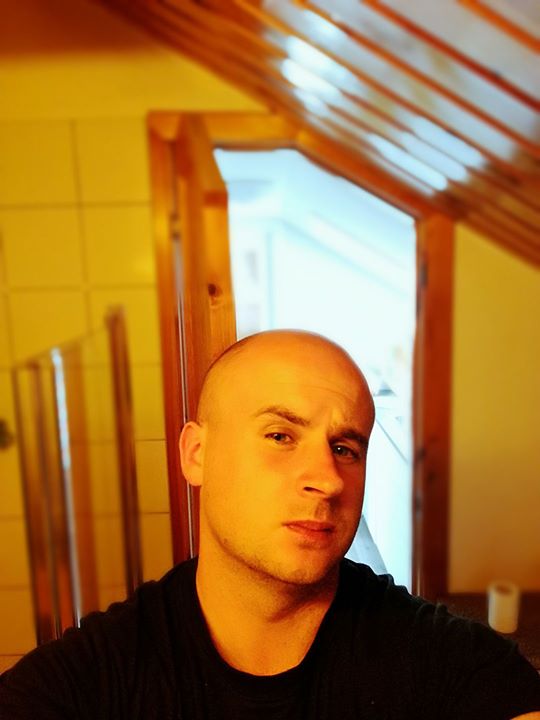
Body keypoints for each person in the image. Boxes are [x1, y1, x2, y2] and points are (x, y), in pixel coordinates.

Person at [1, 329, 539, 719]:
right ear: (196, 454)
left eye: (345, 448)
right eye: (280, 436)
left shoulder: (448, 662)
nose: (327, 479)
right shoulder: (90, 678)